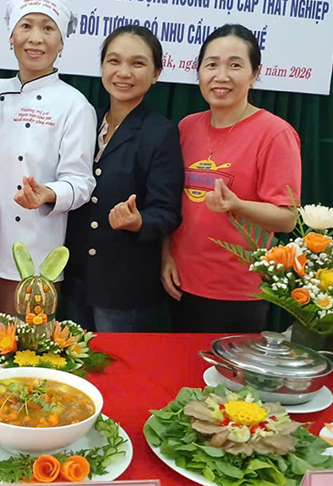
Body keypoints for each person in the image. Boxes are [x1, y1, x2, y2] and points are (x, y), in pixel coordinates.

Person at [0, 0, 96, 330]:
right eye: (26, 26)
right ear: (11, 36)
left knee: (22, 351)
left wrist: (48, 193)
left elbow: (81, 182)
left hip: (36, 260)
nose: (35, 38)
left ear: (62, 42)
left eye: (48, 28)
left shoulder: (74, 105)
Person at [162, 24, 301, 333]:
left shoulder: (275, 133)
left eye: (235, 65)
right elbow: (170, 201)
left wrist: (237, 205)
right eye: (212, 65)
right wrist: (165, 255)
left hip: (238, 293)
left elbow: (287, 219)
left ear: (255, 74)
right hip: (181, 283)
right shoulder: (186, 127)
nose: (221, 76)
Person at [62, 25, 183, 333]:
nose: (123, 72)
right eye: (114, 61)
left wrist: (138, 221)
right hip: (74, 277)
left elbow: (167, 211)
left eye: (137, 63)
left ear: (156, 74)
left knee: (118, 363)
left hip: (124, 286)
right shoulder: (84, 120)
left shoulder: (161, 132)